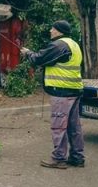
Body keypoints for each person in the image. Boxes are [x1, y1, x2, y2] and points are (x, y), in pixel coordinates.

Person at [20, 20, 85, 169]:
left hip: (61, 92)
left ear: (59, 31)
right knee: (74, 127)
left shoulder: (59, 45)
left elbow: (39, 59)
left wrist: (28, 53)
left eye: (53, 28)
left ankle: (59, 158)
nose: (50, 31)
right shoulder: (74, 44)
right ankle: (77, 157)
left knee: (59, 126)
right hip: (74, 90)